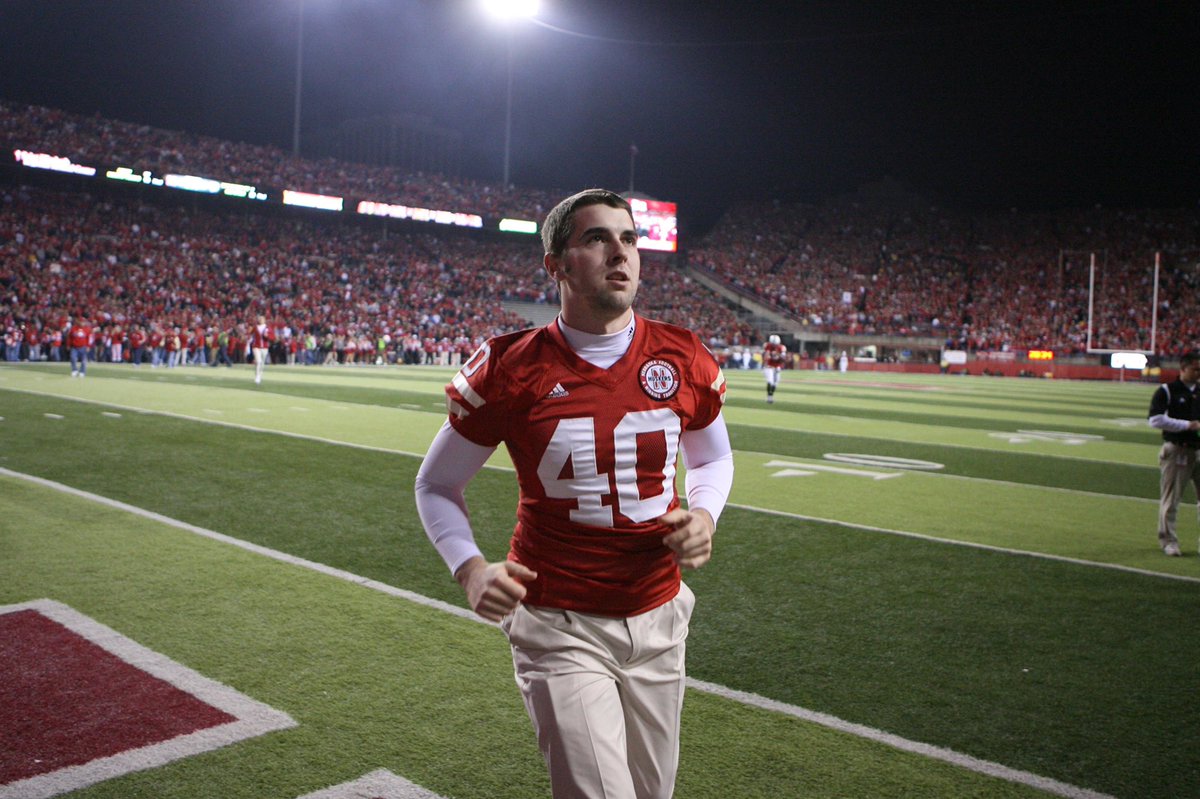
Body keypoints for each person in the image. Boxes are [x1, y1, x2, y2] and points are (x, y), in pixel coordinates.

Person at [414, 188, 734, 799]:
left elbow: (712, 454)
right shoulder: (512, 367)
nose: (621, 252)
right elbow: (437, 483)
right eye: (597, 238)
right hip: (560, 621)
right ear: (556, 263)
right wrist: (470, 569)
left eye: (629, 238)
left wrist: (705, 513)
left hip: (660, 611)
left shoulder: (682, 355)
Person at [1148, 351, 1200, 556]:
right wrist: (1187, 425)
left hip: (1198, 449)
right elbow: (1155, 420)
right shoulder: (1167, 390)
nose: (1198, 372)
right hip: (1178, 449)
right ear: (1183, 368)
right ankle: (1168, 540)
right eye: (1195, 369)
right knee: (1171, 499)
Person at [763, 334, 787, 403]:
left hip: (777, 366)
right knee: (770, 381)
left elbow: (784, 359)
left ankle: (771, 395)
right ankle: (769, 397)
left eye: (775, 344)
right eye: (773, 344)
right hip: (769, 366)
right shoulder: (768, 346)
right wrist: (767, 357)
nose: (774, 345)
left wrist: (779, 355)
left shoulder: (781, 348)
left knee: (775, 383)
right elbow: (766, 356)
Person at [251, 315, 272, 384]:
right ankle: (257, 376)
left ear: (264, 320)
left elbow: (272, 337)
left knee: (262, 362)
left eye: (262, 319)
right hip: (256, 346)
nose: (260, 320)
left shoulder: (267, 328)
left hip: (265, 347)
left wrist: (267, 336)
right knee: (258, 361)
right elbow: (250, 333)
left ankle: (259, 375)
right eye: (259, 319)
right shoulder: (255, 327)